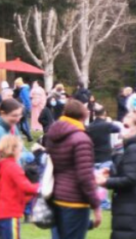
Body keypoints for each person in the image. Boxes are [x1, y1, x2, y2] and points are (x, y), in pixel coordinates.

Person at [46, 99, 102, 238]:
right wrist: (96, 205)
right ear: (83, 116)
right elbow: (84, 176)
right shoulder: (81, 139)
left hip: (56, 195)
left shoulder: (52, 135)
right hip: (76, 200)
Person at [96, 111, 136, 239]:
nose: (121, 131)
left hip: (130, 210)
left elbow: (131, 179)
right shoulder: (129, 148)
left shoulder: (133, 148)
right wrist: (112, 173)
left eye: (126, 126)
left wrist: (105, 182)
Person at [0, 135, 39, 239]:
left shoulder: (1, 165)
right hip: (10, 212)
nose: (20, 152)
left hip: (0, 212)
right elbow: (26, 186)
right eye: (20, 149)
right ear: (13, 149)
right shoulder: (12, 166)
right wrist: (42, 187)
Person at [88, 104, 122, 173]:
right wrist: (110, 122)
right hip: (105, 158)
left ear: (94, 114)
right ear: (105, 113)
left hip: (94, 158)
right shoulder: (107, 125)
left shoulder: (89, 127)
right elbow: (118, 129)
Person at [13, 78, 34, 142]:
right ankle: (28, 135)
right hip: (24, 107)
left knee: (22, 122)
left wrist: (28, 108)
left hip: (23, 107)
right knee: (24, 122)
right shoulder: (24, 89)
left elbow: (26, 99)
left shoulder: (23, 90)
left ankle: (27, 135)